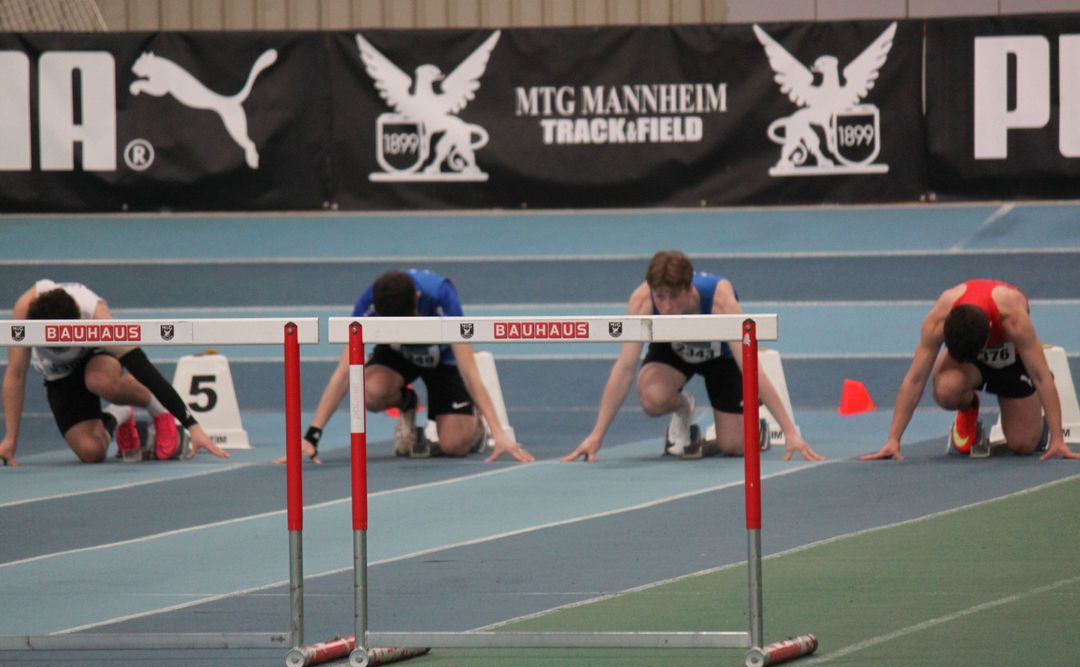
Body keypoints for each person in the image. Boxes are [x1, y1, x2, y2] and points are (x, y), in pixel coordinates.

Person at [562, 250, 822, 463]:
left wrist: (789, 431)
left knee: (734, 446)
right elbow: (625, 368)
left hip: (721, 358)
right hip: (674, 350)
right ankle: (683, 407)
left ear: (689, 288)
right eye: (660, 297)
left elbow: (750, 366)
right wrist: (597, 435)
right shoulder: (642, 301)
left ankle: (755, 427)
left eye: (674, 297)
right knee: (652, 398)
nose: (666, 306)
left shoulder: (720, 300)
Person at [280, 269, 533, 464]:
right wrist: (312, 435)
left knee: (455, 446)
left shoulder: (441, 295)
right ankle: (407, 402)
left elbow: (468, 370)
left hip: (442, 357)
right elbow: (346, 372)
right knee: (366, 391)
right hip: (398, 354)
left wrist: (498, 431)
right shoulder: (370, 302)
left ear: (418, 299)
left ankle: (474, 424)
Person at [1, 280, 229, 466]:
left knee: (99, 380)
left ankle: (157, 410)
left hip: (96, 356)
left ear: (79, 322)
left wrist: (192, 426)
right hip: (59, 375)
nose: (62, 349)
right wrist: (10, 439)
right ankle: (120, 414)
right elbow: (16, 375)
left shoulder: (97, 317)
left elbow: (144, 369)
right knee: (92, 453)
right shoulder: (24, 314)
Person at [861, 278, 1080, 461]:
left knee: (1023, 444)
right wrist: (893, 439)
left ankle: (1037, 423)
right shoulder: (938, 320)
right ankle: (968, 409)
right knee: (946, 388)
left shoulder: (1013, 320)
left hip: (1012, 363)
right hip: (970, 366)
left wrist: (1058, 439)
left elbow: (1041, 376)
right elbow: (916, 378)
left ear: (990, 333)